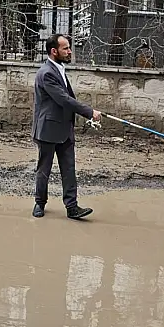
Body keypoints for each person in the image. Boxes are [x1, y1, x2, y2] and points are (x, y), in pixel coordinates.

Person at [31, 34, 101, 220]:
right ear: (54, 51)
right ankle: (40, 203)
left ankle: (72, 207)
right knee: (44, 169)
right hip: (47, 129)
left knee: (69, 169)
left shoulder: (59, 69)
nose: (70, 51)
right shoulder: (46, 73)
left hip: (65, 129)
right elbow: (63, 99)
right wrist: (89, 112)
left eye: (69, 48)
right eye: (66, 48)